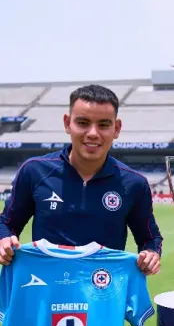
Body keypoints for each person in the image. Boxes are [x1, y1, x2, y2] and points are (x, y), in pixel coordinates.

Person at [0, 84, 163, 275]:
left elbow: (150, 238)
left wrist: (151, 254)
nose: (93, 133)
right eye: (83, 123)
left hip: (103, 288)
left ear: (117, 128)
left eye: (104, 125)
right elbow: (6, 224)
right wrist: (4, 239)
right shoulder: (34, 171)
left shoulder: (134, 183)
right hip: (46, 286)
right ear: (67, 123)